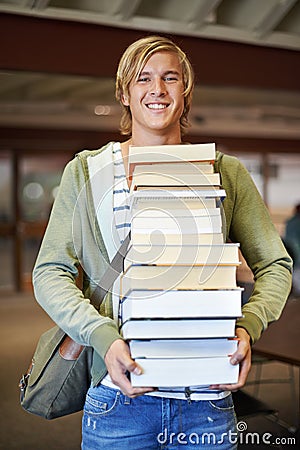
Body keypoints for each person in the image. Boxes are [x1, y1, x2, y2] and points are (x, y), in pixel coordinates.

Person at [33, 35, 292, 449]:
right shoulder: (87, 172)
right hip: (119, 399)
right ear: (124, 92)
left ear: (185, 91)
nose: (157, 89)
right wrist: (101, 336)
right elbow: (50, 272)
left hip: (207, 398)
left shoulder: (225, 172)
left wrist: (249, 326)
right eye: (143, 79)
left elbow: (276, 265)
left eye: (170, 78)